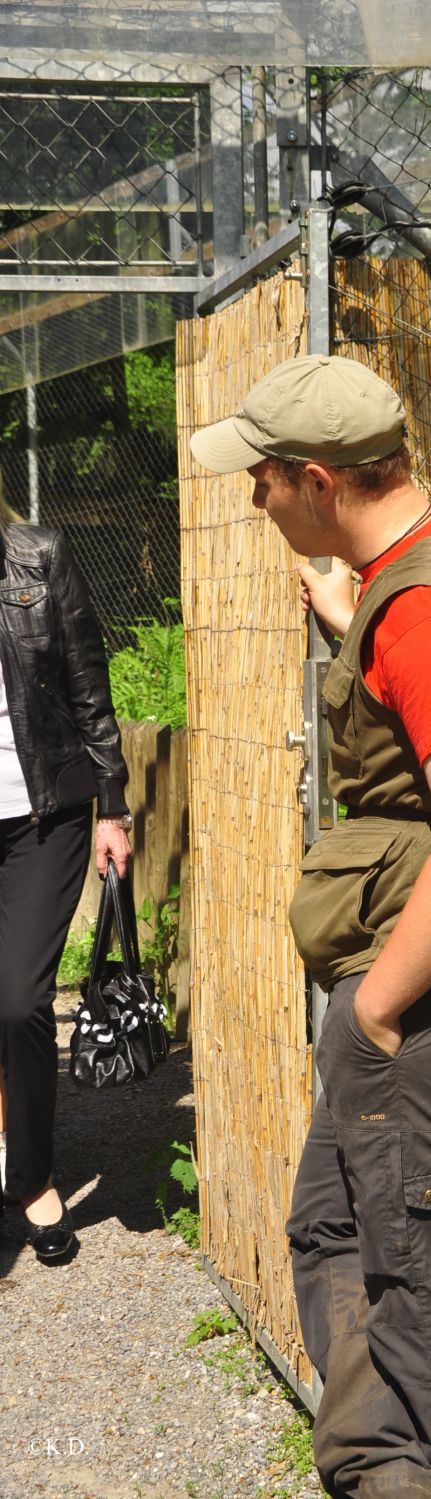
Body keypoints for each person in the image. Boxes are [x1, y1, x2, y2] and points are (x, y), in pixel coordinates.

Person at [191, 354, 431, 1499]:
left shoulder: (430, 612)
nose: (254, 498)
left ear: (319, 480)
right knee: (332, 1230)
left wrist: (373, 1007)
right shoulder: (424, 571)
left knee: (422, 1268)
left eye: (264, 478)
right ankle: (377, 1467)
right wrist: (355, 620)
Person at [0, 479, 132, 1264]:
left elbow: (88, 681)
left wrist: (111, 805)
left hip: (41, 813)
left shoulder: (38, 557)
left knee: (17, 998)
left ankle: (33, 1173)